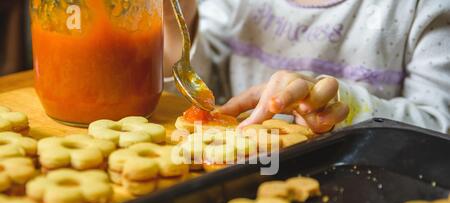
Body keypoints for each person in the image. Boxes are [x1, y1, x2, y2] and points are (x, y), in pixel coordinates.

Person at [163, 0, 450, 133]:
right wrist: (176, 22)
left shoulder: (423, 7)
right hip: (240, 177)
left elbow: (439, 125)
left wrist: (342, 107)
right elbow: (197, 87)